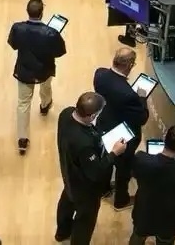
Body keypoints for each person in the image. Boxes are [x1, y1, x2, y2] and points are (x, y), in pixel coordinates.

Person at [56, 92, 127, 245]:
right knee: (85, 221)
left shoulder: (66, 113)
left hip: (68, 173)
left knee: (67, 203)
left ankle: (62, 232)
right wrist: (114, 153)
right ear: (92, 116)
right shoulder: (84, 144)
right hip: (85, 189)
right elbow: (97, 172)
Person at [7, 0, 67, 155]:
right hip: (44, 70)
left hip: (24, 70)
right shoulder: (51, 33)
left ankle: (22, 139)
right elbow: (60, 52)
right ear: (42, 13)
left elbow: (13, 44)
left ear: (28, 11)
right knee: (46, 87)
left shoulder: (17, 28)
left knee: (23, 103)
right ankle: (45, 105)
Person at [93, 48, 149, 210]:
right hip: (123, 134)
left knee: (106, 158)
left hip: (104, 124)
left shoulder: (100, 74)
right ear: (129, 65)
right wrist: (142, 98)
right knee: (123, 166)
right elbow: (142, 118)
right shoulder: (129, 95)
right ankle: (121, 200)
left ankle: (103, 189)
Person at [130, 126, 175, 245]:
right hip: (168, 223)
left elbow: (134, 174)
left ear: (164, 138)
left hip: (143, 215)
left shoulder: (141, 158)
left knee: (138, 236)